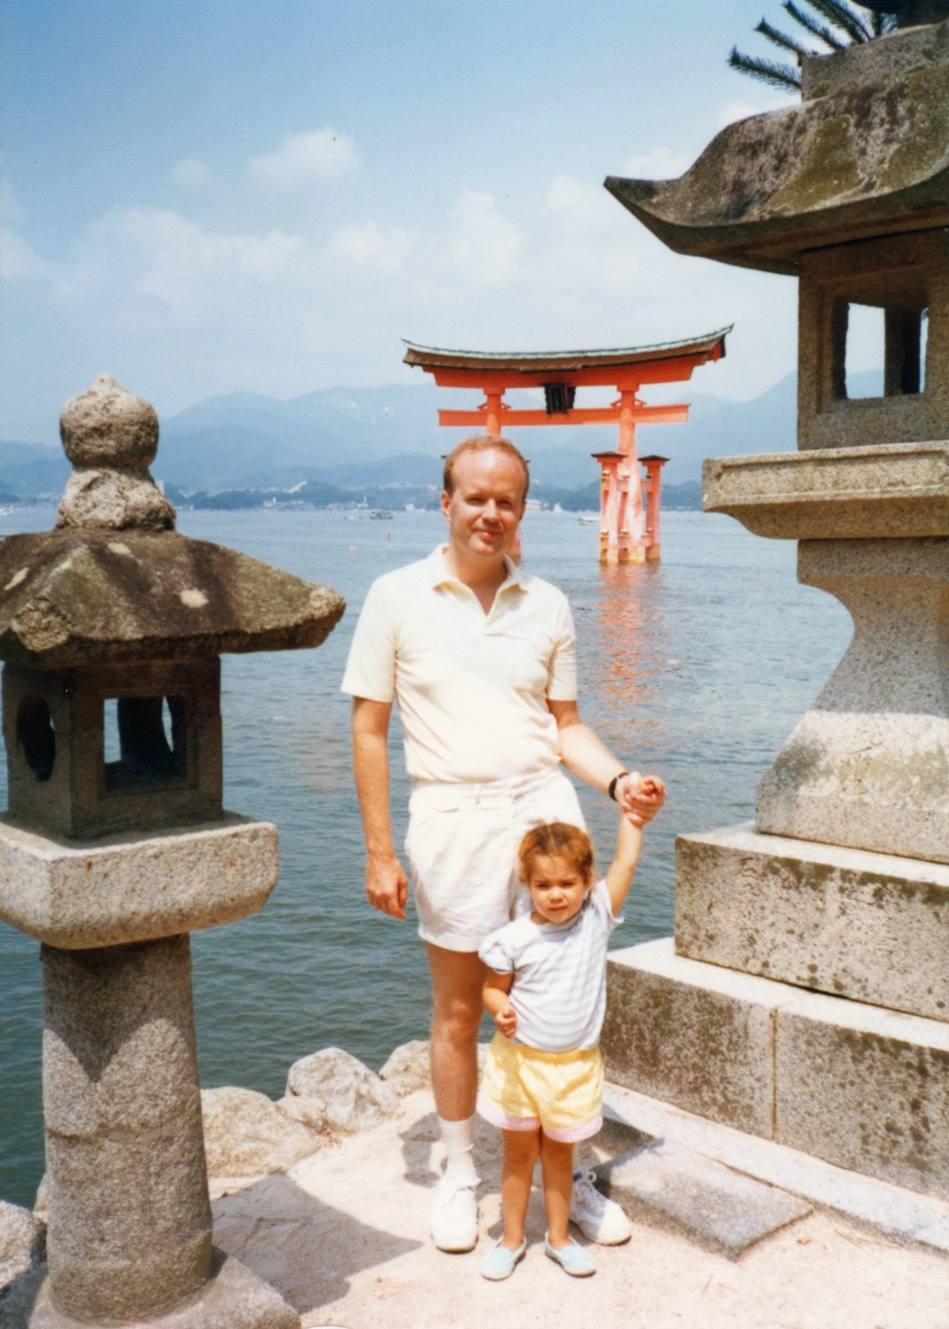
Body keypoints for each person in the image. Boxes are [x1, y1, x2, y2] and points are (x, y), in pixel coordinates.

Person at [341, 435, 665, 1254]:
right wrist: (380, 850)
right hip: (450, 815)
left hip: (542, 811)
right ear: (444, 499)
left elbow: (564, 727)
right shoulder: (395, 595)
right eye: (475, 497)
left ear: (522, 508)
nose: (490, 513)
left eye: (506, 500)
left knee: (563, 1000)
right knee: (458, 1008)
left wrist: (617, 778)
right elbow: (369, 730)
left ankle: (569, 1167)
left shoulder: (548, 602)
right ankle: (459, 1172)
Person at [477, 807, 653, 1280]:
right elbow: (492, 988)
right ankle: (510, 1238)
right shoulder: (514, 938)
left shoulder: (597, 917)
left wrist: (632, 817)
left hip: (575, 1068)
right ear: (527, 886)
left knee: (559, 1155)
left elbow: (626, 865)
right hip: (519, 1064)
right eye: (543, 886)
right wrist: (500, 1008)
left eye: (567, 884)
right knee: (517, 1155)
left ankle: (558, 1238)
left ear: (587, 882)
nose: (556, 895)